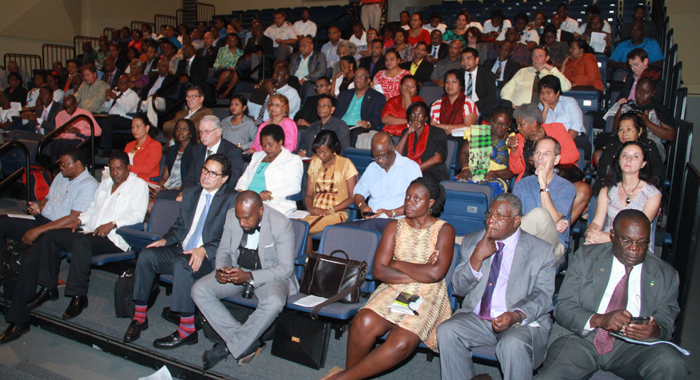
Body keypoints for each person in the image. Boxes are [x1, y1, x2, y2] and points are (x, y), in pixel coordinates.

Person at [323, 178, 454, 380]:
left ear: (430, 203)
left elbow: (436, 274)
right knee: (362, 322)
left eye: (417, 198)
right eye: (408, 197)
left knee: (401, 342)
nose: (409, 202)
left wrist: (397, 263)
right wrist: (422, 270)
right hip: (394, 288)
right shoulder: (394, 226)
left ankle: (344, 378)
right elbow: (380, 271)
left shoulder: (444, 230)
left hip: (428, 294)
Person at [537, 210, 689, 380]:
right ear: (612, 235)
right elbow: (563, 307)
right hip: (581, 339)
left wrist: (655, 330)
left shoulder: (665, 275)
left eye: (642, 242)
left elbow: (666, 323)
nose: (634, 249)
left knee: (670, 363)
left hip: (633, 346)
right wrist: (601, 319)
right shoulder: (587, 258)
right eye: (627, 241)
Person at [437, 193, 556, 380]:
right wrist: (477, 257)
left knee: (512, 343)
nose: (491, 220)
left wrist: (516, 315)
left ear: (516, 221)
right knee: (447, 330)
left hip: (519, 322)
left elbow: (543, 295)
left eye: (500, 216)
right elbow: (459, 289)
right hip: (478, 319)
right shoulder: (472, 241)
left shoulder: (541, 251)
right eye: (489, 214)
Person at [123, 154, 237, 348]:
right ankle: (139, 317)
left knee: (181, 263)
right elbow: (180, 226)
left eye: (212, 173)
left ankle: (187, 330)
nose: (205, 176)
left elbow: (231, 236)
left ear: (224, 178)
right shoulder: (191, 193)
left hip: (211, 258)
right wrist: (165, 240)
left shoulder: (232, 199)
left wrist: (204, 249)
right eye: (204, 170)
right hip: (182, 249)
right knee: (147, 255)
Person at [19, 151, 148, 321]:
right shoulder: (106, 183)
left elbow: (138, 216)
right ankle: (48, 287)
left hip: (115, 238)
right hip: (90, 231)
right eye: (112, 169)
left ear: (128, 168)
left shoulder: (138, 185)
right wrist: (79, 220)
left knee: (82, 243)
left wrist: (113, 224)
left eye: (120, 169)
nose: (115, 173)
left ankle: (78, 297)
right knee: (52, 236)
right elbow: (92, 208)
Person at [0, 148, 99, 344]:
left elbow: (73, 218)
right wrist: (39, 206)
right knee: (2, 222)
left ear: (78, 164)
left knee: (28, 260)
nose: (60, 167)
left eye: (65, 164)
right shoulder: (61, 177)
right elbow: (48, 198)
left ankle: (19, 321)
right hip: (43, 220)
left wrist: (39, 230)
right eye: (60, 164)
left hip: (59, 230)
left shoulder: (89, 185)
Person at [193, 191, 297, 368]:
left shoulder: (281, 223)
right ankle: (246, 342)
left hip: (269, 275)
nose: (242, 223)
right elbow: (224, 251)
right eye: (239, 217)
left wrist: (250, 276)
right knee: (199, 290)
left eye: (247, 218)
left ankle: (230, 346)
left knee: (274, 302)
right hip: (237, 270)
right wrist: (222, 269)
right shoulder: (231, 216)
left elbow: (286, 269)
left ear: (261, 211)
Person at [586, 142, 661, 248]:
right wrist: (591, 233)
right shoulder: (608, 190)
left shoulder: (652, 194)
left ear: (643, 164)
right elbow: (597, 222)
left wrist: (609, 238)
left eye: (635, 156)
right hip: (606, 242)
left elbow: (638, 232)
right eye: (625, 155)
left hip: (635, 247)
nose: (628, 159)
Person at [512, 136, 576, 261]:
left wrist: (543, 184)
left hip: (552, 246)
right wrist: (551, 225)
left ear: (556, 160)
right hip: (522, 242)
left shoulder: (567, 187)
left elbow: (549, 218)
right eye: (537, 153)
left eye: (547, 154)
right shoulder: (522, 184)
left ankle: (493, 239)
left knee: (540, 214)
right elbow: (513, 219)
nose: (540, 157)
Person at [348, 132, 422, 232]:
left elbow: (418, 201)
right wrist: (363, 206)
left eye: (383, 156)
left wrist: (391, 212)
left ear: (393, 148)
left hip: (398, 220)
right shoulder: (372, 168)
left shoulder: (410, 167)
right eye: (375, 157)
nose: (379, 161)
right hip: (372, 220)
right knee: (340, 231)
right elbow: (358, 192)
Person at [301, 130, 358, 237]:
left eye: (324, 152)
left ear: (333, 150)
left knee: (302, 228)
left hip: (336, 213)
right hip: (316, 212)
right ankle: (307, 253)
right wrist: (310, 208)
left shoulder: (346, 164)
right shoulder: (314, 163)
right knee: (294, 226)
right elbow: (309, 194)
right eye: (318, 151)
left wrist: (328, 210)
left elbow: (352, 197)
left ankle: (308, 253)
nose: (320, 155)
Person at [237, 124, 303, 215]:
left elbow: (294, 187)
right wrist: (240, 190)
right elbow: (244, 178)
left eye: (270, 144)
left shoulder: (292, 159)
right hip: (249, 201)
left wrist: (270, 195)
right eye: (263, 145)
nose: (266, 148)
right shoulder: (257, 156)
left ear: (280, 142)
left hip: (274, 204)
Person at [614, 74, 675, 161]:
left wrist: (647, 123)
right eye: (639, 91)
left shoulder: (659, 110)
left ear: (653, 92)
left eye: (646, 92)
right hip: (626, 143)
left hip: (651, 146)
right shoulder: (626, 108)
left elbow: (670, 135)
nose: (641, 95)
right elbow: (615, 131)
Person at [454, 104, 514, 194]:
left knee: (489, 190)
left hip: (496, 178)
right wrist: (465, 168)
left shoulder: (512, 140)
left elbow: (513, 170)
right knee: (454, 185)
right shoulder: (478, 132)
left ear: (509, 124)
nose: (499, 127)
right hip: (472, 173)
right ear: (491, 120)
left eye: (503, 125)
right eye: (496, 123)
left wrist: (496, 173)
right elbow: (464, 152)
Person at [593, 112, 663, 186]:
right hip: (614, 185)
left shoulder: (648, 146)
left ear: (639, 131)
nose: (624, 133)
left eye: (629, 129)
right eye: (621, 130)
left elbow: (658, 172)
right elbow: (602, 171)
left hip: (641, 186)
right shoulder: (612, 144)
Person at [538, 75, 590, 159]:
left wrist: (559, 144)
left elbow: (576, 127)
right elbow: (539, 129)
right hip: (550, 143)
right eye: (542, 92)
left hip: (574, 139)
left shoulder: (569, 102)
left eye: (548, 92)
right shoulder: (541, 107)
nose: (544, 96)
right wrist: (546, 108)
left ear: (557, 92)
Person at [501, 46, 572, 107]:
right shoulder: (522, 71)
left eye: (540, 56)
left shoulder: (551, 74)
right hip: (519, 110)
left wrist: (552, 68)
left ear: (547, 58)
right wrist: (509, 103)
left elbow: (566, 87)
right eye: (534, 56)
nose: (536, 59)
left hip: (542, 112)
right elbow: (506, 90)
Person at [396, 102, 449, 183]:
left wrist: (415, 168)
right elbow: (397, 155)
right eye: (413, 115)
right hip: (407, 172)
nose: (416, 119)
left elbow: (438, 158)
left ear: (426, 118)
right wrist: (407, 133)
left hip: (431, 172)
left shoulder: (437, 132)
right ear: (409, 117)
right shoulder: (405, 133)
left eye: (420, 115)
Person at [334, 68, 386, 146]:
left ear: (368, 81)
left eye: (361, 77)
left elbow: (377, 118)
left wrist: (368, 124)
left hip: (358, 128)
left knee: (356, 134)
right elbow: (336, 114)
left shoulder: (377, 97)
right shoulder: (344, 95)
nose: (357, 79)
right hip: (341, 126)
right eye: (355, 77)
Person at [151, 119, 197, 202]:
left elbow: (191, 180)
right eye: (178, 129)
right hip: (167, 188)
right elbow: (164, 177)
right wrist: (157, 188)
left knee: (153, 203)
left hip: (182, 190)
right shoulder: (172, 150)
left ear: (191, 132)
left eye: (184, 129)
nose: (180, 131)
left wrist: (164, 191)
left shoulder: (195, 151)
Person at [49, 95, 102, 163]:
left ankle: (64, 166)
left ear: (75, 104)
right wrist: (66, 134)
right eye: (66, 107)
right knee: (55, 143)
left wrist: (79, 131)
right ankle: (56, 168)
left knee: (63, 144)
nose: (68, 110)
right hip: (64, 139)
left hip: (79, 140)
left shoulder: (85, 114)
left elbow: (98, 132)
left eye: (70, 107)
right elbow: (57, 132)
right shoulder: (60, 114)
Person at [98, 74, 140, 154]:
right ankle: (95, 148)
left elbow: (126, 109)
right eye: (119, 83)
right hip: (112, 117)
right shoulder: (117, 93)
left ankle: (107, 149)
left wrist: (116, 99)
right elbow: (107, 109)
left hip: (126, 119)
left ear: (128, 84)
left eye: (122, 83)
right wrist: (107, 100)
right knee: (96, 120)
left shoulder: (132, 95)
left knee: (108, 121)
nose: (120, 85)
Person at [430, 69, 479, 135]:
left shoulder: (468, 104)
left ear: (461, 85)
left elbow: (468, 127)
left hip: (462, 139)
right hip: (440, 138)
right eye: (447, 82)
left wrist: (446, 127)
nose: (450, 85)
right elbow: (433, 127)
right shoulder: (436, 104)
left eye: (454, 82)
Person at [140, 59, 180, 128]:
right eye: (159, 66)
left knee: (150, 101)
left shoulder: (172, 78)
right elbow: (146, 89)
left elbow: (171, 92)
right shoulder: (154, 77)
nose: (160, 67)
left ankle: (152, 126)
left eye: (162, 66)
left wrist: (155, 95)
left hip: (162, 100)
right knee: (138, 103)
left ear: (167, 67)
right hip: (149, 99)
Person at [124, 114, 162, 183]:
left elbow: (147, 168)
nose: (134, 130)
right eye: (132, 127)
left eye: (138, 126)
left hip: (144, 182)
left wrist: (125, 168)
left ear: (147, 127)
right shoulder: (129, 145)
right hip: (128, 180)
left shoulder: (155, 145)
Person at [213, 34, 244, 99]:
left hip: (234, 71)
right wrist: (220, 66)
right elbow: (216, 63)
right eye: (230, 41)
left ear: (236, 42)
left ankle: (226, 92)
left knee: (236, 73)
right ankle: (216, 90)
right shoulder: (222, 50)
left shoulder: (240, 52)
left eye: (233, 41)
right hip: (222, 71)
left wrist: (234, 68)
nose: (231, 43)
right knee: (227, 72)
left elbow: (241, 65)